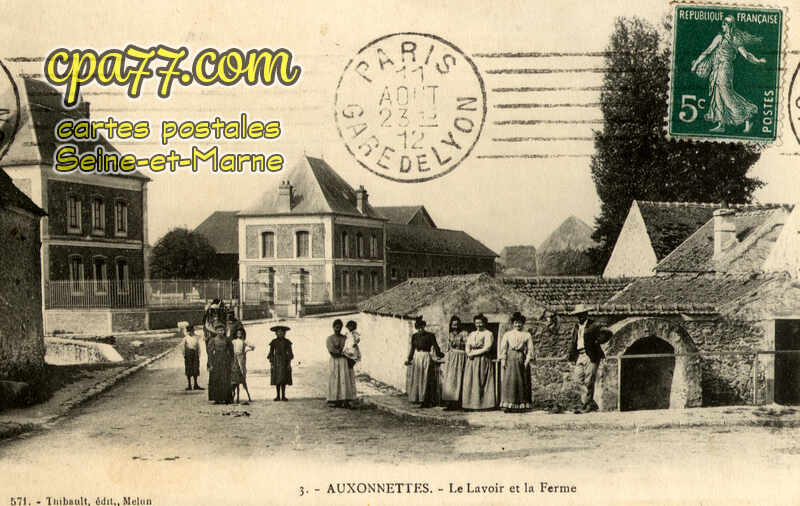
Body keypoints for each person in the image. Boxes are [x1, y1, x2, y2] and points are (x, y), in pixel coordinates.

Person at [691, 15, 767, 133]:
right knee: (717, 95)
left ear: (729, 26)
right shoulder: (720, 37)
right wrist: (696, 64)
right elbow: (708, 51)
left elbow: (746, 55)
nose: (722, 26)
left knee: (727, 95)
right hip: (717, 69)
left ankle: (748, 115)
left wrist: (757, 61)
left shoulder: (734, 39)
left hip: (725, 69)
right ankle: (721, 124)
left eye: (724, 24)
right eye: (723, 24)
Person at [567, 304, 613, 414]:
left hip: (591, 355)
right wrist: (570, 355)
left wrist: (597, 342)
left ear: (586, 314)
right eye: (578, 315)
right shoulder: (576, 327)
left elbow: (608, 333)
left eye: (582, 314)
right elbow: (573, 341)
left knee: (589, 381)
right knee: (577, 379)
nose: (580, 316)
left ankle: (586, 405)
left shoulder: (594, 324)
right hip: (579, 355)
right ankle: (589, 403)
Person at [498, 312, 534, 413]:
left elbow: (530, 349)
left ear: (523, 323)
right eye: (516, 323)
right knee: (510, 381)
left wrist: (527, 360)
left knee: (522, 381)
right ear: (513, 323)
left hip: (521, 358)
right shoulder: (507, 334)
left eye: (520, 323)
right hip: (510, 358)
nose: (518, 325)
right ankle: (509, 404)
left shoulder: (527, 335)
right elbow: (503, 348)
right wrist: (503, 360)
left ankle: (521, 404)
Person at [404, 317, 444, 408]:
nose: (420, 329)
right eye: (418, 328)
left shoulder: (430, 335)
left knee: (426, 378)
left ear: (424, 326)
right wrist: (409, 359)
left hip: (426, 357)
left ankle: (426, 400)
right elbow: (412, 348)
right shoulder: (414, 336)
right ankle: (417, 398)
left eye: (421, 327)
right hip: (417, 358)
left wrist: (440, 354)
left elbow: (436, 346)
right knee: (417, 377)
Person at [462, 314, 497, 410]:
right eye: (477, 323)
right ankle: (470, 404)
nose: (478, 325)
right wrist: (468, 353)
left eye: (481, 323)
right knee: (470, 381)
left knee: (481, 380)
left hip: (482, 359)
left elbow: (487, 347)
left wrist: (474, 353)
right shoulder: (472, 334)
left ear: (484, 323)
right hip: (471, 360)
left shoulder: (488, 333)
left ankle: (483, 405)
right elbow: (467, 345)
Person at [326, 319, 357, 408]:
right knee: (335, 379)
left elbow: (349, 349)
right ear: (333, 327)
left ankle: (345, 399)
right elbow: (332, 351)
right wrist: (341, 352)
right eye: (336, 327)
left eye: (339, 328)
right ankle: (335, 399)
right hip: (335, 361)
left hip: (343, 361)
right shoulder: (330, 338)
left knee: (344, 379)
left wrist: (346, 354)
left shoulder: (345, 338)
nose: (338, 329)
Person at [441, 315, 469, 410]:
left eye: (457, 324)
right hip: (451, 358)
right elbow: (448, 346)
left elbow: (467, 345)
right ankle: (450, 402)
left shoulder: (464, 333)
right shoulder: (450, 334)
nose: (455, 327)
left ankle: (459, 402)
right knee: (451, 379)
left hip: (461, 356)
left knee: (460, 378)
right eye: (453, 325)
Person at [206, 320, 233, 404]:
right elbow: (210, 353)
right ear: (216, 331)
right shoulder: (213, 340)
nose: (220, 332)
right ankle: (217, 398)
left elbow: (231, 352)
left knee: (225, 379)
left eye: (222, 330)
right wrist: (210, 364)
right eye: (219, 330)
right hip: (216, 361)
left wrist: (231, 361)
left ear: (224, 331)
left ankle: (226, 398)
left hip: (225, 361)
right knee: (216, 379)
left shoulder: (227, 340)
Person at [267, 324, 294, 402]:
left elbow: (290, 353)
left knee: (284, 379)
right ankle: (278, 396)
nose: (280, 333)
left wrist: (289, 363)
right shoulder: (274, 342)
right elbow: (271, 353)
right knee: (277, 379)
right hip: (276, 362)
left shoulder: (287, 342)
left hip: (285, 361)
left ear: (284, 333)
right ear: (276, 333)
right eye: (278, 332)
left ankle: (283, 396)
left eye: (282, 332)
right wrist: (272, 363)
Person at [230, 327, 255, 404]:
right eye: (238, 333)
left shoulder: (244, 341)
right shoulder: (233, 341)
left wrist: (246, 351)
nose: (239, 334)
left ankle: (244, 392)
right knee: (234, 375)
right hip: (234, 359)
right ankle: (233, 394)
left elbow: (253, 347)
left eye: (240, 333)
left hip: (242, 359)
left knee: (242, 374)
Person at [182, 324, 203, 391]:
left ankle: (196, 384)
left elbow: (198, 346)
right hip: (188, 355)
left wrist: (198, 354)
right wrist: (184, 355)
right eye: (190, 331)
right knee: (188, 369)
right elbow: (183, 348)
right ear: (188, 331)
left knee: (195, 368)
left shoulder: (196, 338)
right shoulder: (185, 338)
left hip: (195, 354)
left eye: (192, 331)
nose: (191, 332)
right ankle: (189, 385)